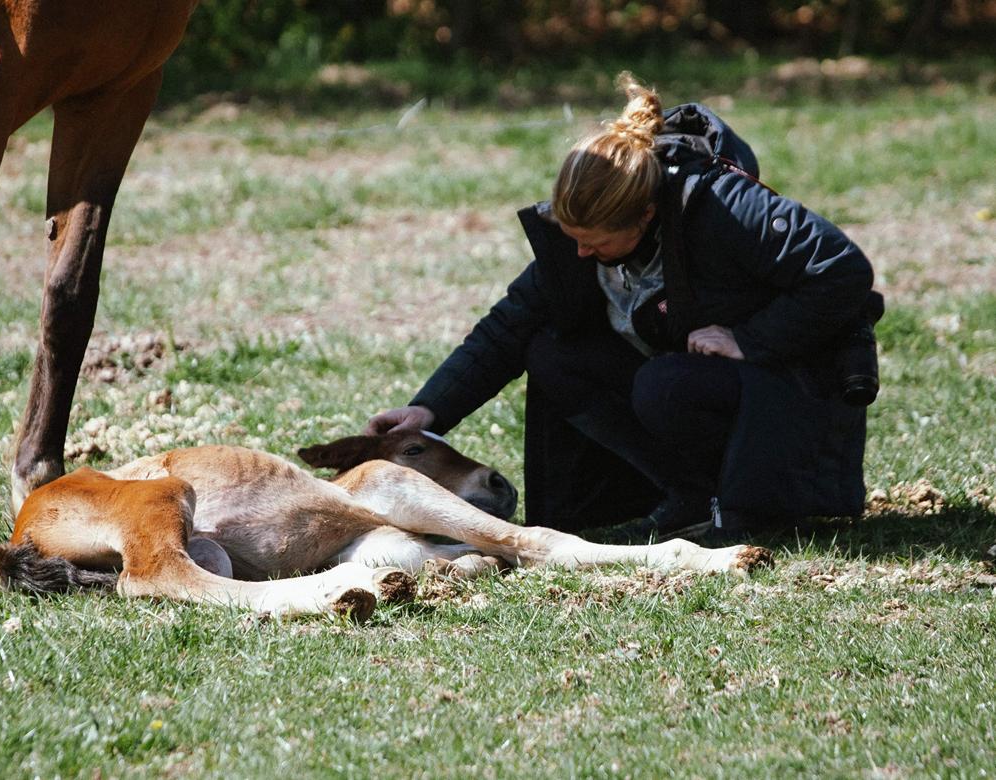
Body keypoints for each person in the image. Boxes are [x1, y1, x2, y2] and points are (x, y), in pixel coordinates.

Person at [365, 72, 884, 543]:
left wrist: (751, 340)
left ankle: (758, 506)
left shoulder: (724, 208)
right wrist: (430, 410)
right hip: (690, 380)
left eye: (596, 242)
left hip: (784, 389)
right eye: (573, 238)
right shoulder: (582, 239)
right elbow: (508, 326)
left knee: (665, 385)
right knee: (552, 353)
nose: (582, 253)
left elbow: (842, 270)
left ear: (645, 216)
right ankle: (688, 497)